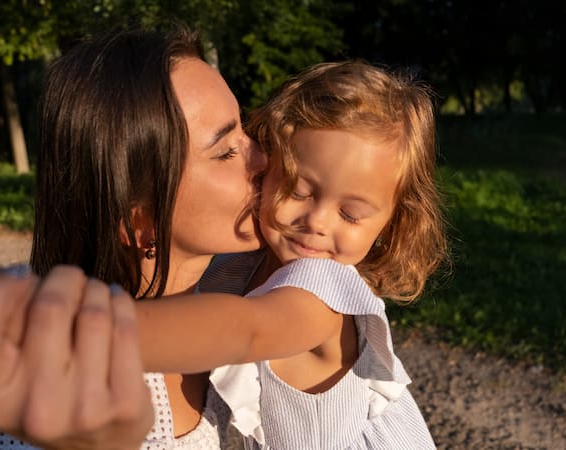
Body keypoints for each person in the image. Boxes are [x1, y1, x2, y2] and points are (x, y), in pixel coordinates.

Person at [0, 27, 267, 449]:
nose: (264, 158)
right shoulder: (45, 407)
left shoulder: (259, 285)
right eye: (227, 151)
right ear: (140, 221)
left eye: (245, 128)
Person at [123, 60, 448, 448]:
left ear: (390, 225)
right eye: (298, 190)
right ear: (268, 164)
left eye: (351, 214)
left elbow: (246, 330)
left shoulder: (325, 291)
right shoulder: (238, 268)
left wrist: (102, 332)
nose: (318, 221)